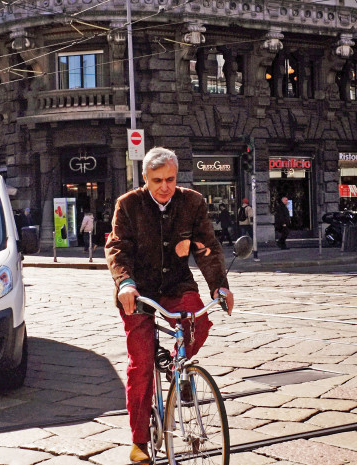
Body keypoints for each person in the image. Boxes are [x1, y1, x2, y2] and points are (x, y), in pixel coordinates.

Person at [105, 147, 234, 464]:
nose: (165, 186)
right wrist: (125, 283)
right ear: (145, 178)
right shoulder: (128, 205)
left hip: (177, 285)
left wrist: (220, 286)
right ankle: (139, 441)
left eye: (171, 179)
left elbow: (206, 247)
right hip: (139, 292)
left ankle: (179, 367)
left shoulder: (193, 202)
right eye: (157, 180)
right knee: (140, 365)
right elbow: (118, 248)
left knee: (199, 321)